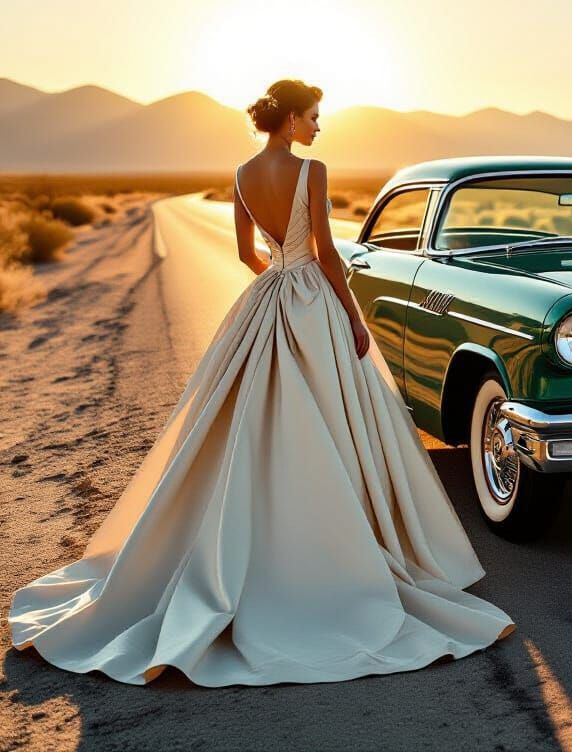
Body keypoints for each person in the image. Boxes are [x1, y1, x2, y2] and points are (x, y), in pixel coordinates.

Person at [7, 78, 515, 686]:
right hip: (315, 302)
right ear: (293, 120)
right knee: (336, 416)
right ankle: (340, 542)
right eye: (314, 116)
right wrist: (350, 314)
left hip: (269, 293)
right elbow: (328, 252)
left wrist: (278, 275)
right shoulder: (313, 170)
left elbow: (247, 251)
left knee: (248, 417)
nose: (318, 126)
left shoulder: (243, 174)